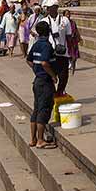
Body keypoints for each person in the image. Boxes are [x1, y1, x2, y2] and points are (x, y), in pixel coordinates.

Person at [27, 20, 57, 148]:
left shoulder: (36, 44)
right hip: (45, 81)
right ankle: (40, 140)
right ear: (48, 31)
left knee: (36, 109)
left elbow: (28, 60)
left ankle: (33, 139)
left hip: (37, 81)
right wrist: (53, 75)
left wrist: (36, 69)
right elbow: (45, 63)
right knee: (44, 109)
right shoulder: (46, 46)